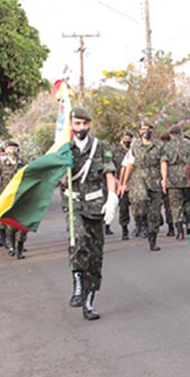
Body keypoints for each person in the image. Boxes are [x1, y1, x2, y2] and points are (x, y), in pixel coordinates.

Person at [63, 107, 117, 321]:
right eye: (77, 124)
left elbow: (109, 172)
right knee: (78, 239)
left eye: (85, 124)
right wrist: (61, 168)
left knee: (95, 256)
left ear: (90, 124)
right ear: (71, 125)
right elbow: (55, 177)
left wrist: (111, 197)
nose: (81, 128)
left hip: (95, 204)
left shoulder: (100, 146)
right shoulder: (64, 148)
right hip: (73, 202)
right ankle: (77, 283)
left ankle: (88, 302)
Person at [123, 121, 164, 251]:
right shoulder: (135, 145)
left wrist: (164, 179)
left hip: (155, 178)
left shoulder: (159, 145)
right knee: (140, 199)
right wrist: (124, 182)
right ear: (139, 131)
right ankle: (141, 221)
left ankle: (153, 239)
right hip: (139, 177)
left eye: (148, 128)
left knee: (155, 212)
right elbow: (130, 164)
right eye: (143, 129)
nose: (145, 131)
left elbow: (163, 162)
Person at [0, 140, 27, 259]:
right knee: (9, 225)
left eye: (14, 148)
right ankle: (10, 245)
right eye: (9, 148)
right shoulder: (1, 166)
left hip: (21, 199)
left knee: (22, 226)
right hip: (7, 199)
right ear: (5, 150)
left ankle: (20, 248)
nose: (12, 150)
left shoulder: (24, 164)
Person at [162, 125, 190, 240]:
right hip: (187, 176)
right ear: (181, 133)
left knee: (175, 205)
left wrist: (164, 179)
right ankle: (189, 222)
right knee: (188, 202)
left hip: (173, 177)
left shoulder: (166, 147)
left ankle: (179, 228)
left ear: (170, 135)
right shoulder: (189, 144)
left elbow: (164, 163)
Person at [111, 130, 134, 240]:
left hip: (134, 181)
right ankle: (124, 229)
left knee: (138, 205)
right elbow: (110, 166)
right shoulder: (115, 151)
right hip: (120, 182)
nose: (127, 141)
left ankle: (140, 226)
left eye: (129, 139)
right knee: (123, 206)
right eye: (125, 138)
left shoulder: (135, 150)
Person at [159, 131, 175, 237]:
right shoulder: (172, 148)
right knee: (168, 204)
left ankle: (158, 219)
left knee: (156, 203)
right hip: (171, 178)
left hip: (157, 179)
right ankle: (171, 227)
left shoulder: (160, 149)